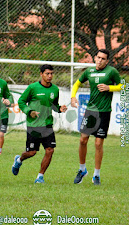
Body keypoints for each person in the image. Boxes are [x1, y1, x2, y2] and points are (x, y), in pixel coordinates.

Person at [71, 49, 122, 185]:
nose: (99, 60)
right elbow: (77, 83)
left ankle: (96, 175)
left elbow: (123, 86)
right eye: (98, 57)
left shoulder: (112, 72)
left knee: (98, 143)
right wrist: (73, 96)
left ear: (107, 61)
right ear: (95, 57)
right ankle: (82, 170)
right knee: (83, 140)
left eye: (103, 59)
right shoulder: (89, 71)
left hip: (104, 111)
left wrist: (109, 88)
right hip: (90, 111)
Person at [11, 64, 67, 183]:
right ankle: (19, 160)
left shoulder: (55, 89)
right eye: (47, 74)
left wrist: (59, 109)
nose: (50, 76)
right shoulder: (32, 88)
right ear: (41, 74)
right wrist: (29, 111)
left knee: (50, 150)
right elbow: (21, 101)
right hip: (34, 125)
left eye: (51, 74)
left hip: (47, 125)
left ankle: (40, 177)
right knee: (32, 152)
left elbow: (54, 105)